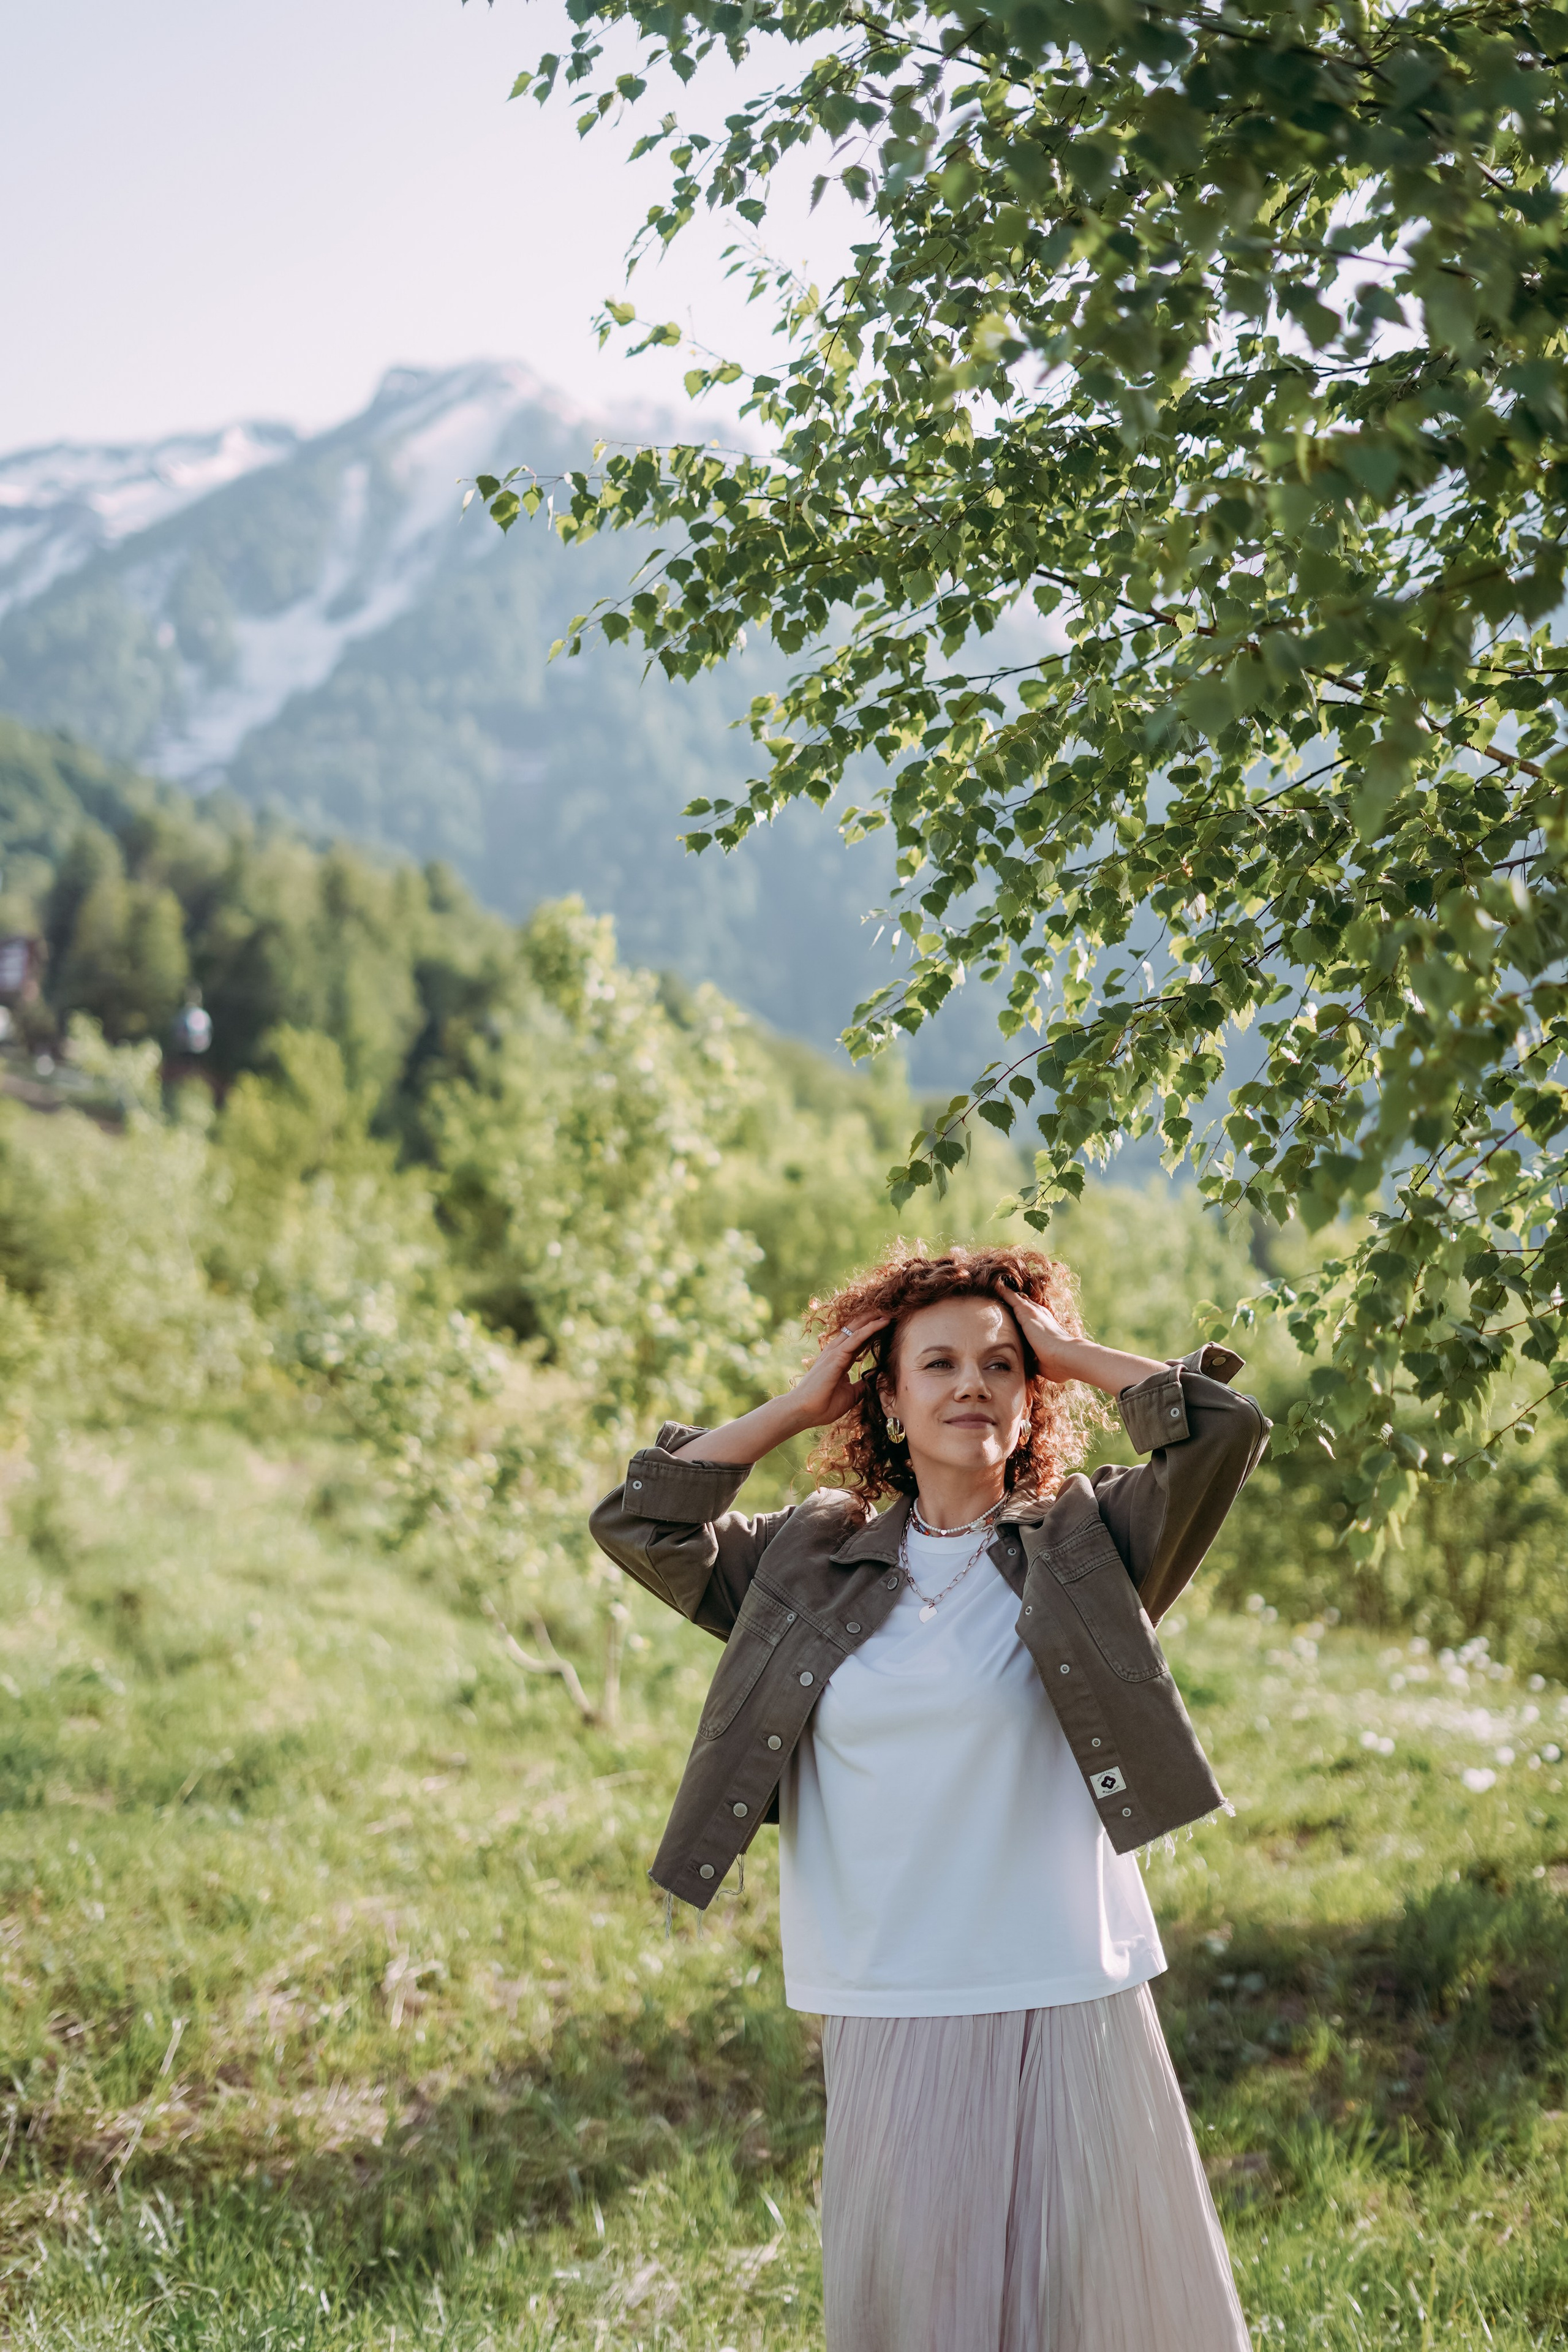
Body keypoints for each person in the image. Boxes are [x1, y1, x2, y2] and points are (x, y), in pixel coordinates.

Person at [590, 1240, 1270, 2352]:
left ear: (1031, 1397)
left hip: (1064, 1978)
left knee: (1092, 2311)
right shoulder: (807, 1556)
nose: (972, 1385)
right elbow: (639, 1521)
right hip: (888, 1982)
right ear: (890, 1404)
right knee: (922, 2309)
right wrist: (796, 1406)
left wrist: (1072, 1350)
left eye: (1001, 1366)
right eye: (939, 1365)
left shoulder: (1089, 1542)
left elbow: (1225, 1434)